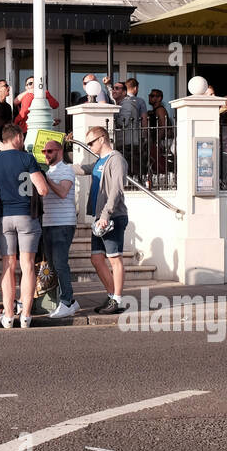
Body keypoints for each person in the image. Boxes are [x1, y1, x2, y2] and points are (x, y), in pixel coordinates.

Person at [0, 123, 50, 328]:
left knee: (8, 266)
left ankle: (8, 315)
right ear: (17, 137)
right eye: (22, 138)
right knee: (28, 265)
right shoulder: (26, 158)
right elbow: (42, 189)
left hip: (4, 216)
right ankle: (26, 315)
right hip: (26, 216)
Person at [74, 125, 130, 315]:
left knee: (115, 259)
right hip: (100, 218)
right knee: (97, 258)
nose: (89, 146)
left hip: (113, 216)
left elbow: (117, 190)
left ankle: (118, 299)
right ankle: (112, 295)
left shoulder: (116, 160)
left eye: (91, 142)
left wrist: (106, 215)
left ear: (102, 139)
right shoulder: (100, 161)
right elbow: (83, 169)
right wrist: (57, 163)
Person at [39, 137, 79, 319]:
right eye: (44, 152)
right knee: (54, 264)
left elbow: (63, 192)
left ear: (60, 152)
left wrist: (45, 179)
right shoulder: (49, 171)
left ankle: (67, 301)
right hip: (47, 222)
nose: (46, 155)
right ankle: (68, 300)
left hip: (63, 223)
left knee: (61, 263)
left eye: (50, 151)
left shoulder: (67, 170)